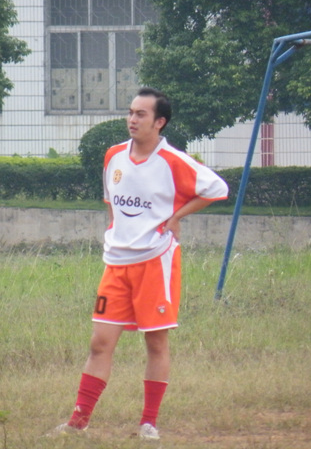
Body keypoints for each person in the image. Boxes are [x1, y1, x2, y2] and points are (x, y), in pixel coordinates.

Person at [52, 87, 229, 441]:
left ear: (159, 122)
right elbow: (111, 202)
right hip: (116, 263)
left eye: (141, 114)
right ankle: (77, 422)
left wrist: (177, 216)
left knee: (156, 343)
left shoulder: (173, 161)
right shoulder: (113, 155)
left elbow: (216, 189)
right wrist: (115, 232)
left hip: (155, 262)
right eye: (131, 112)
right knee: (100, 343)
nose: (132, 119)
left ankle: (148, 424)